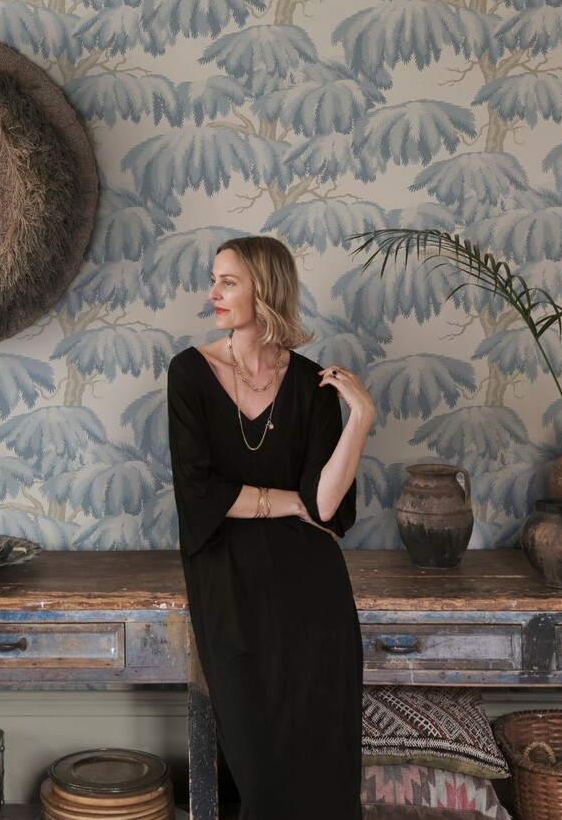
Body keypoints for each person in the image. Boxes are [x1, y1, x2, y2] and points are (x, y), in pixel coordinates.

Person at [167, 235, 375, 819]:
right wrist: (290, 502)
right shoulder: (189, 373)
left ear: (265, 289)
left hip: (311, 588)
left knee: (323, 765)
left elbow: (326, 506)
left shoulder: (312, 383)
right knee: (259, 772)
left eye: (228, 281)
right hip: (227, 577)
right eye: (214, 280)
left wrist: (361, 416)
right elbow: (200, 495)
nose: (213, 293)